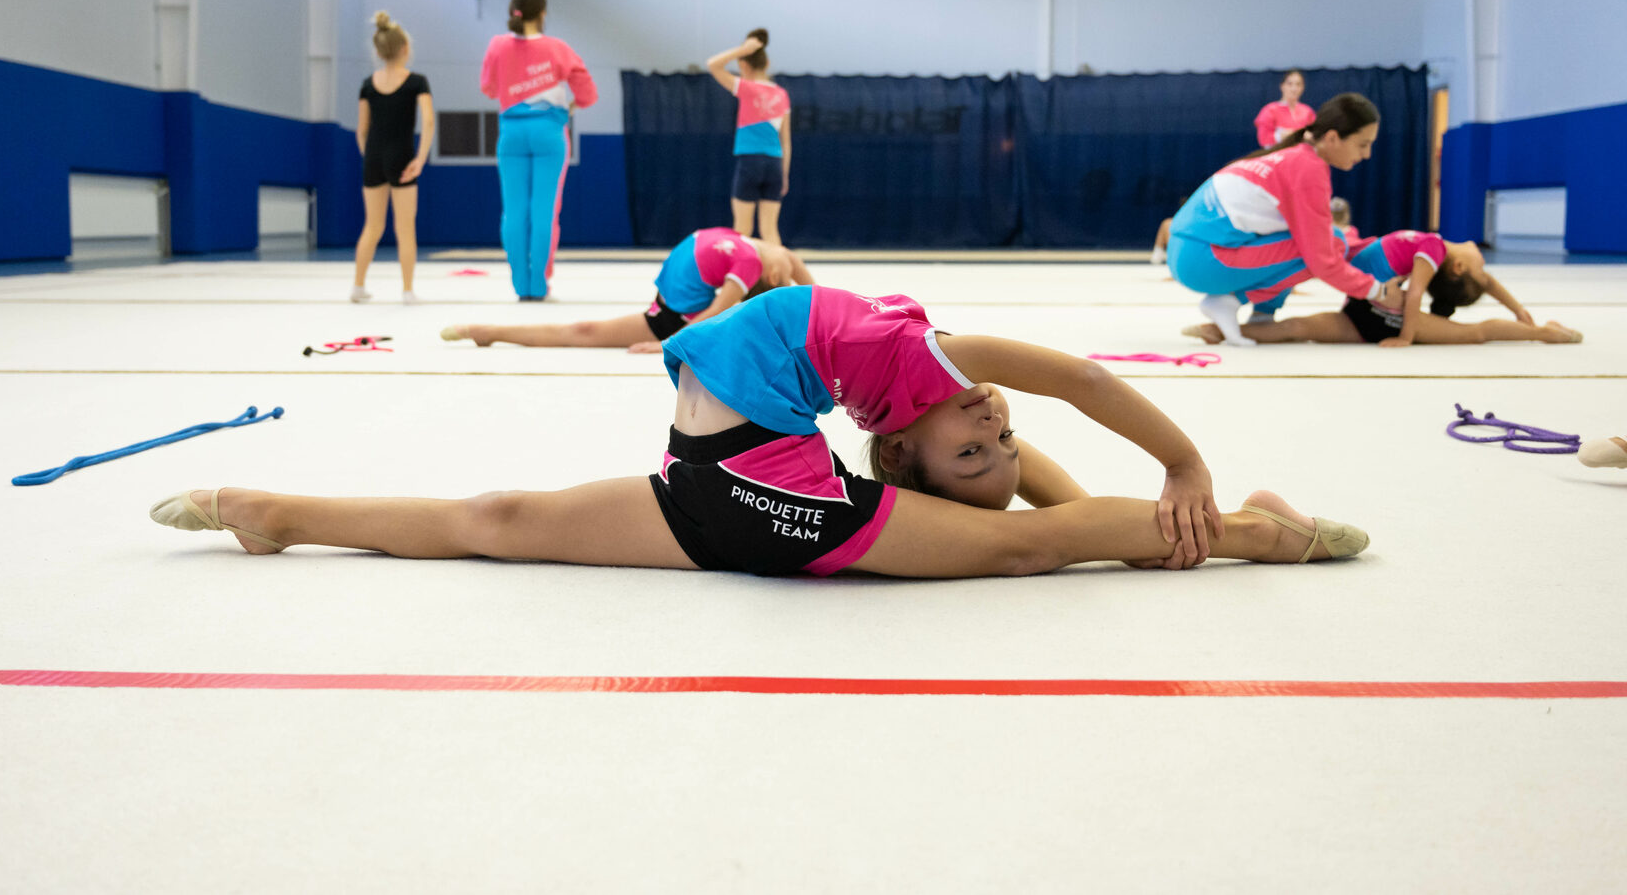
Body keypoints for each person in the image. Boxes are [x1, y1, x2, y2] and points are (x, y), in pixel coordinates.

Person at [150, 286, 1368, 576]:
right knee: (498, 516)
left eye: (980, 449)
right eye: (983, 435)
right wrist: (1181, 455)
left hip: (754, 487)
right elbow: (1068, 381)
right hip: (721, 475)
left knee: (1021, 542)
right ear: (903, 442)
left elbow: (1035, 450)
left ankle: (1268, 536)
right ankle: (273, 510)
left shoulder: (898, 392)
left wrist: (1192, 492)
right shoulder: (917, 362)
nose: (993, 418)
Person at [1166, 93, 1402, 347]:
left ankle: (1261, 318)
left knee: (1324, 239)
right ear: (1333, 138)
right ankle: (1231, 301)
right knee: (1331, 243)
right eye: (1363, 144)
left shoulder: (1292, 156)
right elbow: (1323, 259)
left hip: (1187, 252)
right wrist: (1378, 292)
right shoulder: (1308, 170)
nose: (1367, 155)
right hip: (1202, 260)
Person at [439, 227, 814, 354]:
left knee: (583, 333)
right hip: (667, 307)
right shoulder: (753, 247)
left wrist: (669, 342)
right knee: (582, 331)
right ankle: (489, 332)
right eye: (785, 276)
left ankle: (489, 332)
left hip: (677, 320)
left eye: (781, 281)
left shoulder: (750, 263)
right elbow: (794, 264)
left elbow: (717, 309)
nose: (786, 275)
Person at [1183, 229, 1579, 347]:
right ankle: (1543, 334)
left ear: (1457, 267)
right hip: (1383, 317)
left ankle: (1219, 329)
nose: (1485, 261)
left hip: (1367, 314)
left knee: (1297, 329)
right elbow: (1481, 282)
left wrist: (1405, 336)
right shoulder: (1438, 250)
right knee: (1478, 332)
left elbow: (1419, 292)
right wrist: (1519, 314)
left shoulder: (1433, 247)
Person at [480, 0, 597, 302]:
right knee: (544, 211)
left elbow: (488, 88)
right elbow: (588, 93)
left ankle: (520, 285)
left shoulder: (498, 46)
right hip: (549, 133)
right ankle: (539, 283)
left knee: (514, 211)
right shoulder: (558, 48)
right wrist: (568, 105)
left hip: (511, 133)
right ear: (542, 13)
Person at [352, 12, 434, 305]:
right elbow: (428, 121)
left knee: (372, 226)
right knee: (404, 227)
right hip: (402, 157)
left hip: (373, 156)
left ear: (378, 51)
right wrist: (421, 158)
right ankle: (408, 290)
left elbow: (362, 129)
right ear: (405, 49)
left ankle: (358, 286)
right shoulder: (416, 82)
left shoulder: (367, 84)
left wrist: (368, 155)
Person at [706, 29, 791, 246]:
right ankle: (779, 277)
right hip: (774, 164)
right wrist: (785, 174)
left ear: (743, 65)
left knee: (742, 230)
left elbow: (713, 64)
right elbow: (786, 140)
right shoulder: (781, 94)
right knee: (770, 231)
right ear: (767, 63)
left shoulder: (746, 87)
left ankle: (743, 277)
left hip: (750, 162)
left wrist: (743, 49)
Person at [1255, 70, 1316, 150]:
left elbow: (1317, 137)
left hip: (1303, 157)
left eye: (1298, 84)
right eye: (1290, 84)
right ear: (1282, 86)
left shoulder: (1308, 111)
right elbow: (1263, 140)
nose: (1294, 89)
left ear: (1303, 88)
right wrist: (1282, 135)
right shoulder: (1270, 110)